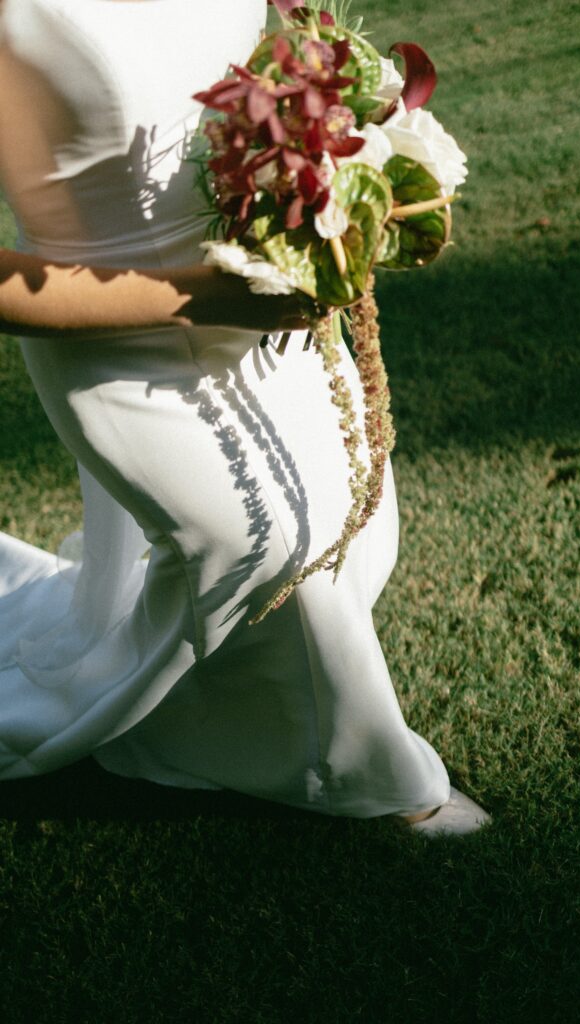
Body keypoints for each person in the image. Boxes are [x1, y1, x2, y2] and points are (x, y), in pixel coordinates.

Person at [0, 0, 489, 836]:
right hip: (114, 325)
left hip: (267, 274)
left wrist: (346, 168)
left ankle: (191, 727)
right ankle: (365, 781)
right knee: (253, 544)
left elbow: (299, 46)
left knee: (350, 530)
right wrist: (201, 297)